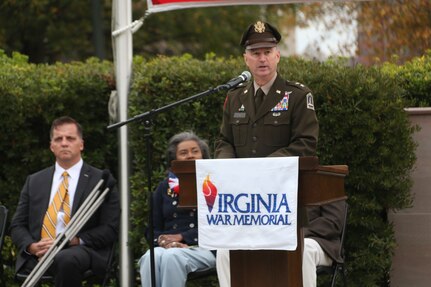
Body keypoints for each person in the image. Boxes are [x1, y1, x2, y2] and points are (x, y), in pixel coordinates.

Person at [214, 20, 342, 287]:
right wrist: (229, 169)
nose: (262, 59)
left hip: (284, 203)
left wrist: (263, 169)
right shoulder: (235, 98)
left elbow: (305, 144)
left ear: (277, 55)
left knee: (293, 257)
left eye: (267, 52)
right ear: (246, 59)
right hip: (247, 206)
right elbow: (224, 141)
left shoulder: (296, 95)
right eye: (256, 53)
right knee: (226, 254)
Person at [10, 116, 120, 287]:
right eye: (58, 139)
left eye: (70, 138)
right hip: (39, 252)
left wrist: (73, 240)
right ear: (51, 146)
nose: (64, 143)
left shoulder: (101, 181)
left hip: (80, 250)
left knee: (64, 259)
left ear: (81, 144)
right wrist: (32, 246)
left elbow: (110, 228)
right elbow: (17, 224)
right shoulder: (34, 181)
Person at [138, 131, 216, 287]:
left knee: (171, 257)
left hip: (203, 248)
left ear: (203, 156)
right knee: (149, 257)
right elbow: (152, 228)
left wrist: (183, 237)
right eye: (183, 153)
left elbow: (218, 225)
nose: (190, 156)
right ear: (174, 159)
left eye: (195, 151)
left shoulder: (212, 184)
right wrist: (162, 240)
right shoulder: (164, 187)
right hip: (169, 248)